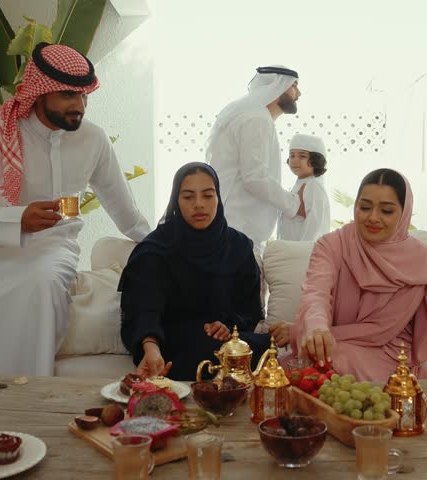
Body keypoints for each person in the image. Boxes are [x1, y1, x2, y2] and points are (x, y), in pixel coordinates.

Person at [0, 43, 151, 388]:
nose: (79, 106)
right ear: (40, 93)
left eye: (85, 96)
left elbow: (125, 212)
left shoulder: (93, 140)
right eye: (69, 95)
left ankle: (25, 397)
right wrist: (17, 219)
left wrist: (167, 242)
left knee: (42, 285)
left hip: (49, 251)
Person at [119, 162, 287, 380]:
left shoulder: (238, 246)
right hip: (169, 341)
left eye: (208, 195)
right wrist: (151, 346)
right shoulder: (156, 249)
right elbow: (144, 309)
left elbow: (249, 310)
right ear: (176, 202)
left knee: (269, 349)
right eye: (188, 197)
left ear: (218, 198)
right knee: (204, 350)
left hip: (224, 342)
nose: (199, 204)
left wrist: (227, 325)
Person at [285, 168, 427, 382]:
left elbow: (382, 330)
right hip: (334, 342)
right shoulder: (332, 244)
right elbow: (315, 292)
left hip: (389, 350)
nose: (373, 218)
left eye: (386, 211)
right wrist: (316, 327)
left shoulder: (419, 259)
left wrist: (301, 333)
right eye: (365, 207)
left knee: (327, 364)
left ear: (404, 213)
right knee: (288, 371)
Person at [206, 65, 307, 255]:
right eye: (294, 86)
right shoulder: (256, 119)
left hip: (235, 230)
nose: (299, 93)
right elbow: (255, 178)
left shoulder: (253, 116)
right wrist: (295, 205)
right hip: (236, 231)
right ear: (278, 86)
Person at [277, 134, 331, 241]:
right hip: (290, 250)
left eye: (302, 156)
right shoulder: (299, 185)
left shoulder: (313, 187)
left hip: (302, 253)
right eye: (292, 155)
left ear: (316, 160)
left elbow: (315, 226)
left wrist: (302, 251)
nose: (295, 160)